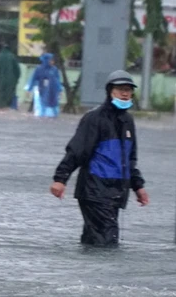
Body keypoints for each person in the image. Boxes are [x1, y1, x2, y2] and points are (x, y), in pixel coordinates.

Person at [50, 70, 149, 246]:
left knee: (94, 241)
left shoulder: (128, 121)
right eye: (120, 89)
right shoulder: (94, 118)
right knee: (107, 243)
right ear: (110, 91)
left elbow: (129, 160)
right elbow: (77, 150)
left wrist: (138, 186)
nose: (125, 93)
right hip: (94, 191)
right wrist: (60, 178)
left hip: (115, 193)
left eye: (128, 89)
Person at [26, 53, 63, 118]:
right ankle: (42, 115)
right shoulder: (39, 69)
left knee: (54, 103)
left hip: (53, 90)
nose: (52, 62)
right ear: (46, 60)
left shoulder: (54, 69)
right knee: (43, 102)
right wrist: (29, 89)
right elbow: (33, 79)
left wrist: (60, 89)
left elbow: (57, 80)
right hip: (42, 89)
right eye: (51, 60)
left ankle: (55, 115)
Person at [0, 41, 21, 109]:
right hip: (11, 79)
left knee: (1, 92)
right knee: (10, 92)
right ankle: (8, 105)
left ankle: (1, 106)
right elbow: (17, 69)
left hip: (1, 78)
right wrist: (17, 78)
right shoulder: (12, 56)